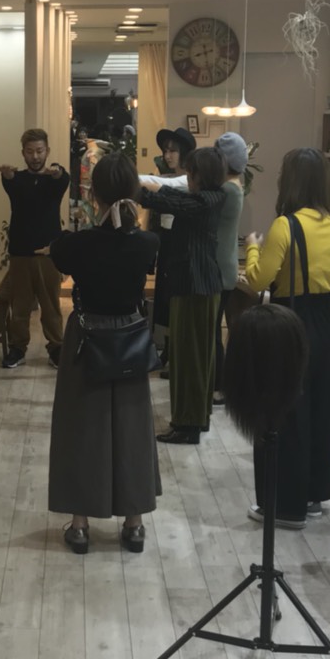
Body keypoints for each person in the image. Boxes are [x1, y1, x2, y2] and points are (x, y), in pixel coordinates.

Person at [48, 153, 159, 553]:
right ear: (134, 192)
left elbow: (58, 250)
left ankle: (80, 525)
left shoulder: (75, 245)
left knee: (82, 427)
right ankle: (134, 523)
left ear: (92, 193)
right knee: (132, 429)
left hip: (86, 338)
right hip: (130, 338)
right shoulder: (147, 243)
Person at [244, 147, 330, 529]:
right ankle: (312, 496)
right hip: (328, 328)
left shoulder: (285, 226)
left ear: (290, 181)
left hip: (290, 326)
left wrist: (253, 247)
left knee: (283, 414)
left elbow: (259, 280)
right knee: (321, 413)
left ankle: (284, 507)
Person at [140, 146, 227, 445]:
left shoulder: (207, 200)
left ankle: (188, 424)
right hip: (199, 286)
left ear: (202, 175)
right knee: (197, 356)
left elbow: (172, 201)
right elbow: (173, 198)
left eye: (191, 172)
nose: (188, 177)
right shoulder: (208, 197)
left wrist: (141, 192)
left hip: (195, 286)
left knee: (189, 357)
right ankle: (196, 418)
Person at [0, 128, 69, 369]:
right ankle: (18, 348)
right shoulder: (16, 179)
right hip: (20, 253)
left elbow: (62, 178)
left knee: (51, 306)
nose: (35, 156)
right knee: (20, 306)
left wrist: (56, 172)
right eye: (30, 151)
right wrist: (7, 176)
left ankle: (56, 347)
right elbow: (13, 187)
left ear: (47, 151)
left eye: (39, 151)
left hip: (48, 254)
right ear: (23, 153)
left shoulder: (55, 178)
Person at [139, 127, 195, 371]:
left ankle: (175, 354)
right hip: (166, 240)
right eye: (166, 151)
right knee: (164, 295)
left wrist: (129, 177)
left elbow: (161, 185)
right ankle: (168, 351)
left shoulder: (188, 180)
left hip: (180, 244)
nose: (167, 155)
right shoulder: (174, 177)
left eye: (173, 151)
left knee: (175, 296)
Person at [211, 131, 247, 400]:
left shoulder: (226, 190)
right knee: (214, 327)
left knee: (212, 330)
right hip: (226, 267)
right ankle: (218, 383)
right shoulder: (234, 185)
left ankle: (217, 385)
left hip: (219, 268)